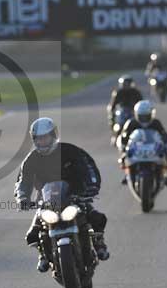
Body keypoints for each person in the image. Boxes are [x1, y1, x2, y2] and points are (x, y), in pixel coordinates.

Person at [14, 117, 109, 273]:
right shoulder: (31, 159)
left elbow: (88, 167)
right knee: (32, 234)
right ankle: (43, 255)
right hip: (47, 202)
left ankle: (99, 243)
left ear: (53, 136)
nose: (43, 141)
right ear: (34, 140)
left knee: (97, 218)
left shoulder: (70, 151)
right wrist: (22, 198)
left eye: (46, 137)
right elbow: (23, 181)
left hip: (75, 197)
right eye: (39, 138)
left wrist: (92, 186)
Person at [119, 100, 167, 186]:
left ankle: (163, 175)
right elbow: (124, 137)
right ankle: (128, 174)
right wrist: (123, 147)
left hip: (152, 149)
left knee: (166, 155)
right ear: (136, 114)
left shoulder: (156, 123)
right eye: (142, 116)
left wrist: (166, 145)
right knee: (124, 156)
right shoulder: (131, 123)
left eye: (146, 116)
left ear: (151, 114)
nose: (144, 119)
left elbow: (164, 135)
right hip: (136, 149)